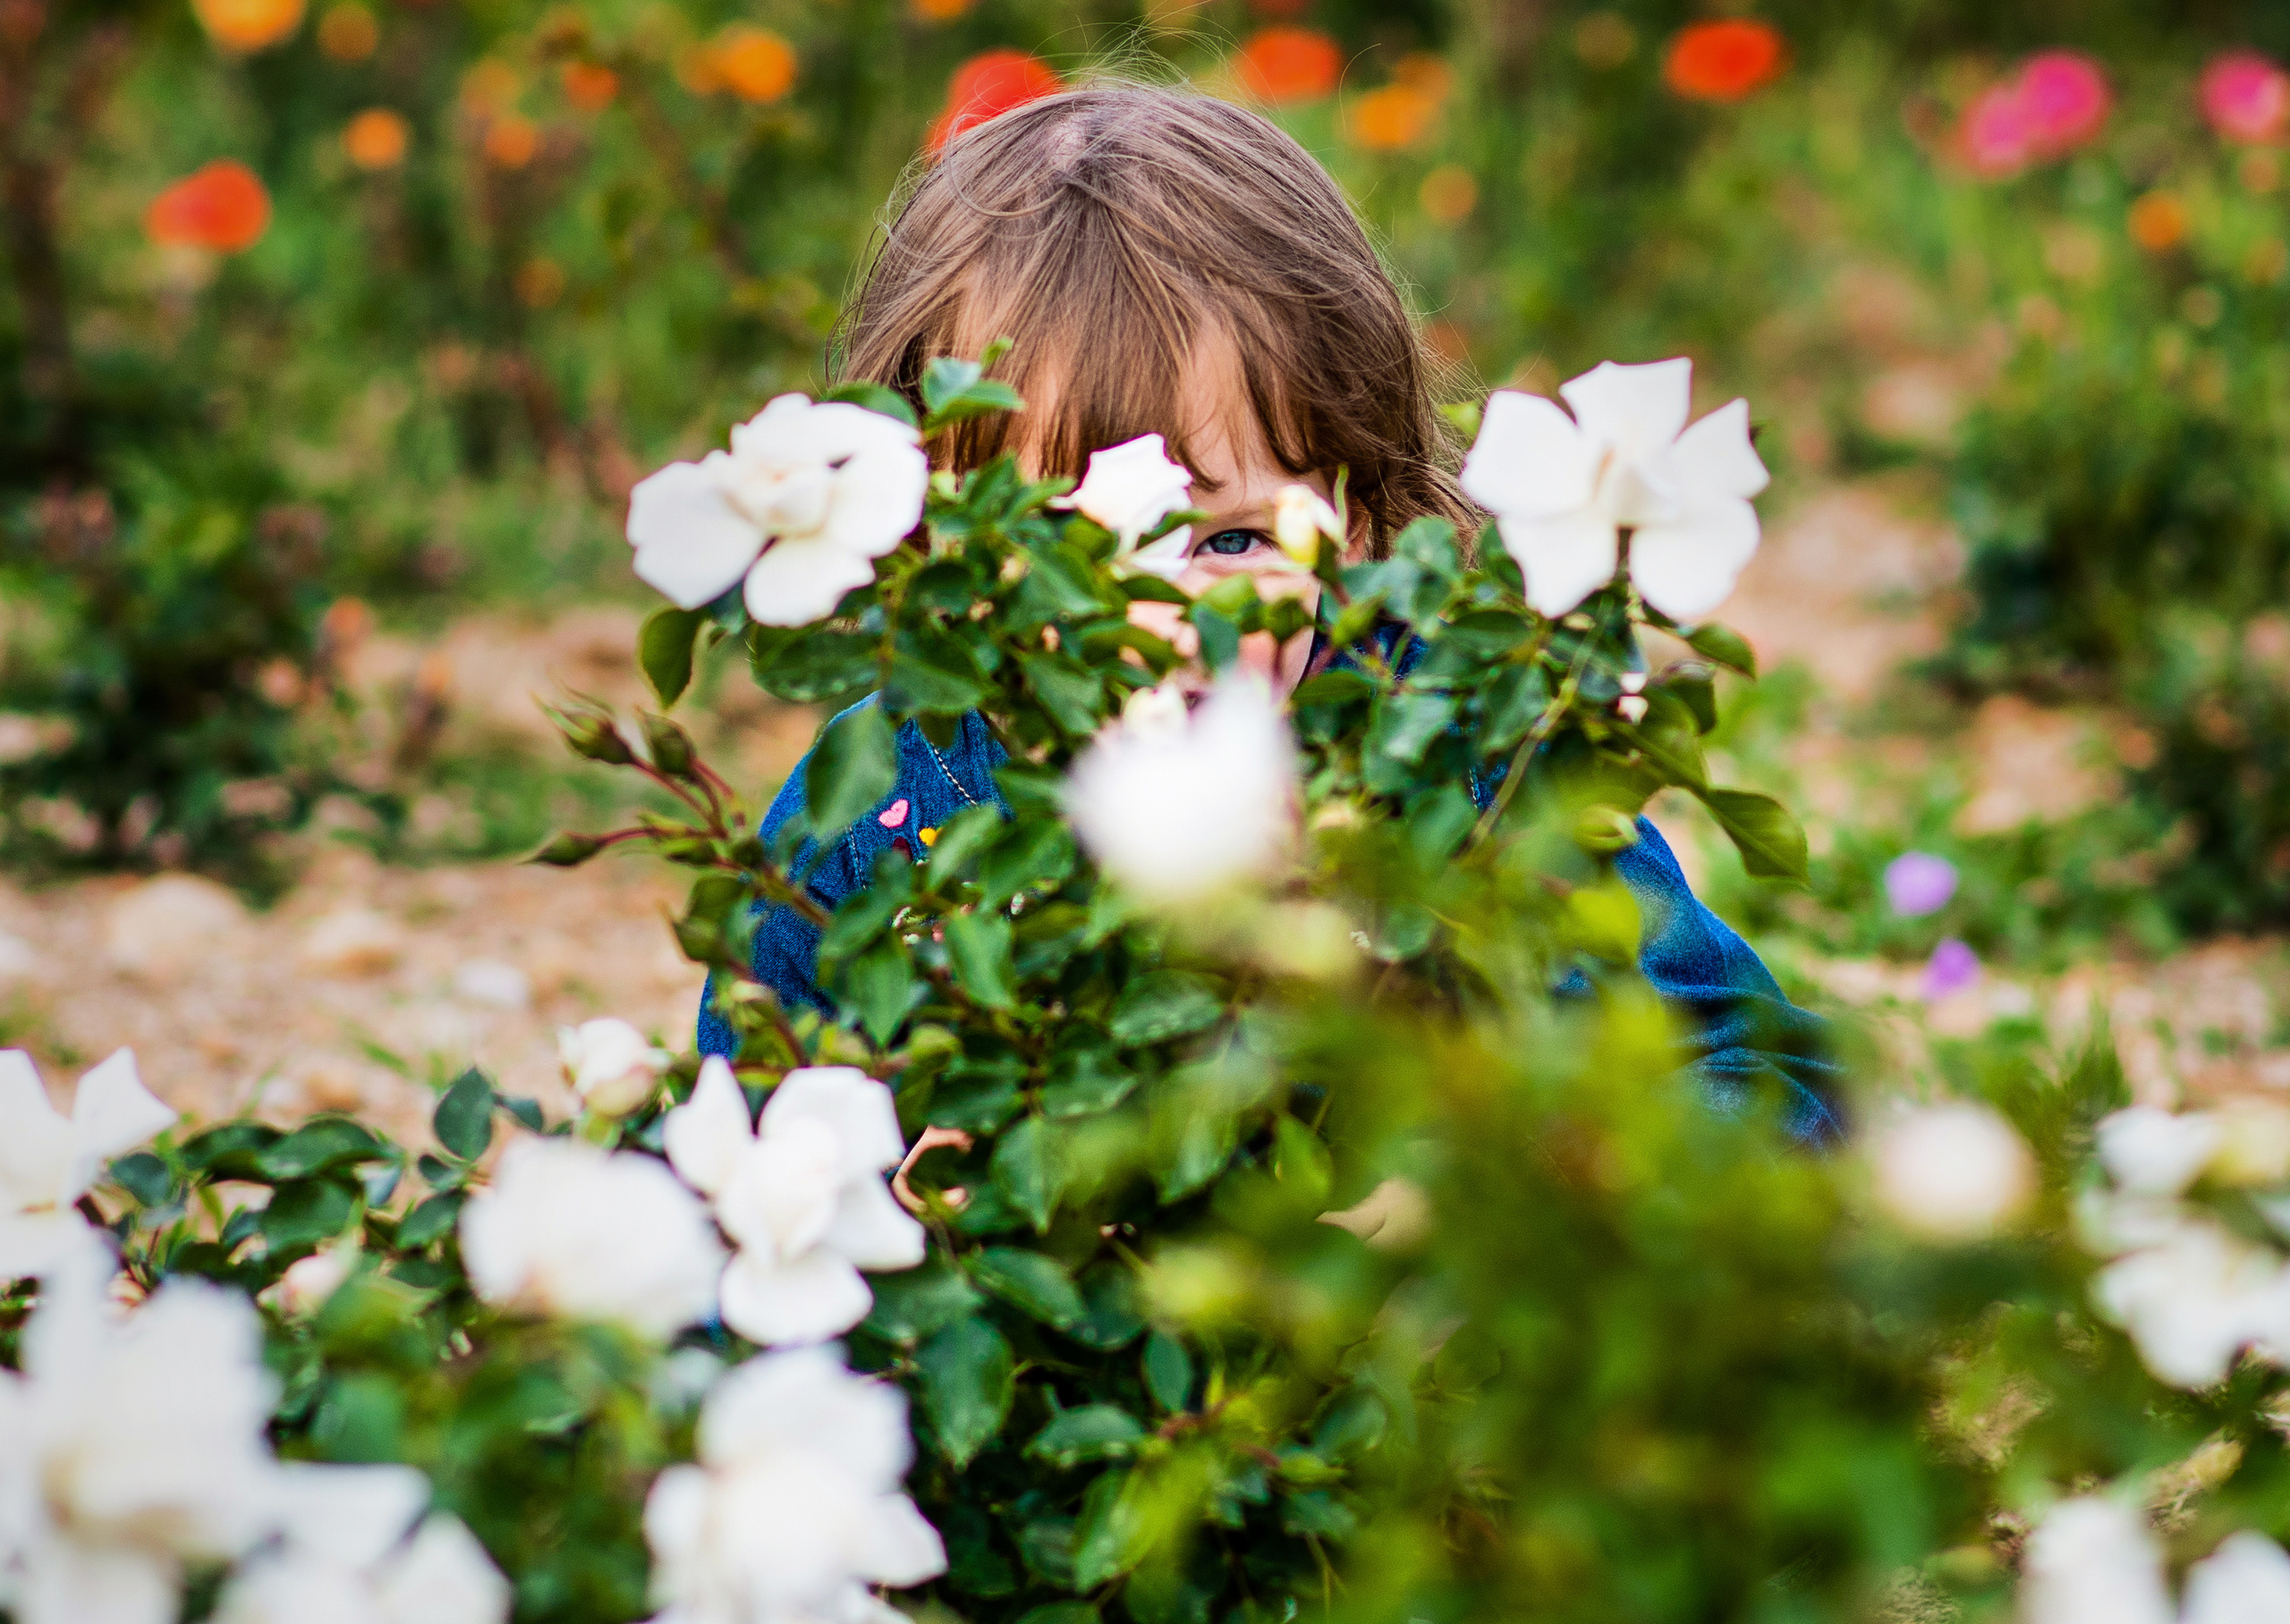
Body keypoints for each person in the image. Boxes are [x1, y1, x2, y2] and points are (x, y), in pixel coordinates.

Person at [692, 81, 1841, 1146]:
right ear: (918, 539)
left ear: (1355, 522)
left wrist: (1533, 1154)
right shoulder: (873, 811)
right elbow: (727, 1141)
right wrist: (896, 1201)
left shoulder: (1460, 748)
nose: (1155, 625)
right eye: (1054, 548)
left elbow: (1769, 1080)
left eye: (1230, 542)